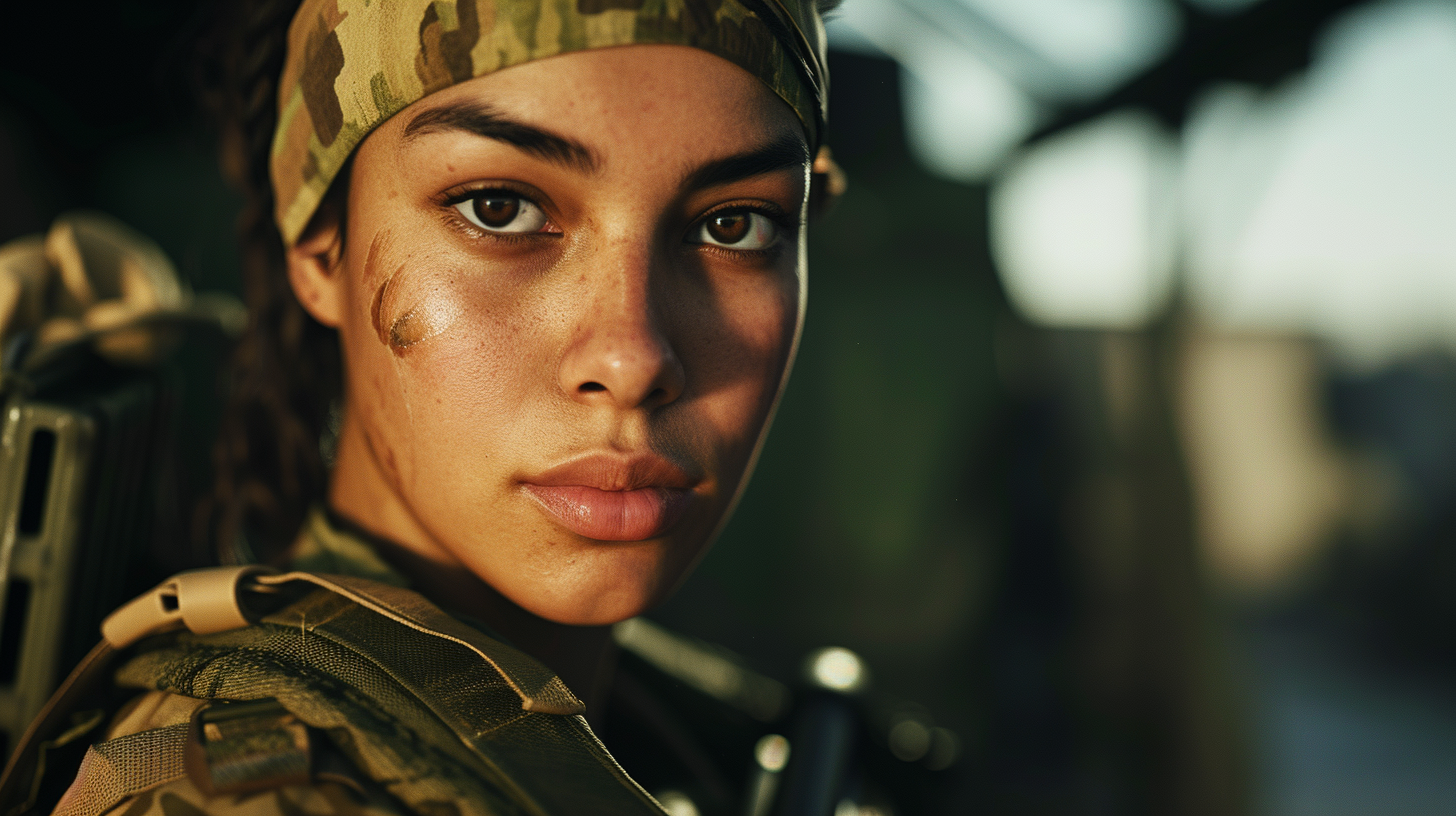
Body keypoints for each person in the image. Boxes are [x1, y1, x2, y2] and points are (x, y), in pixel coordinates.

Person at [0, 0, 843, 814]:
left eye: (737, 224)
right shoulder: (261, 792)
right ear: (321, 248)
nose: (632, 359)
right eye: (499, 208)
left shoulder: (692, 733)